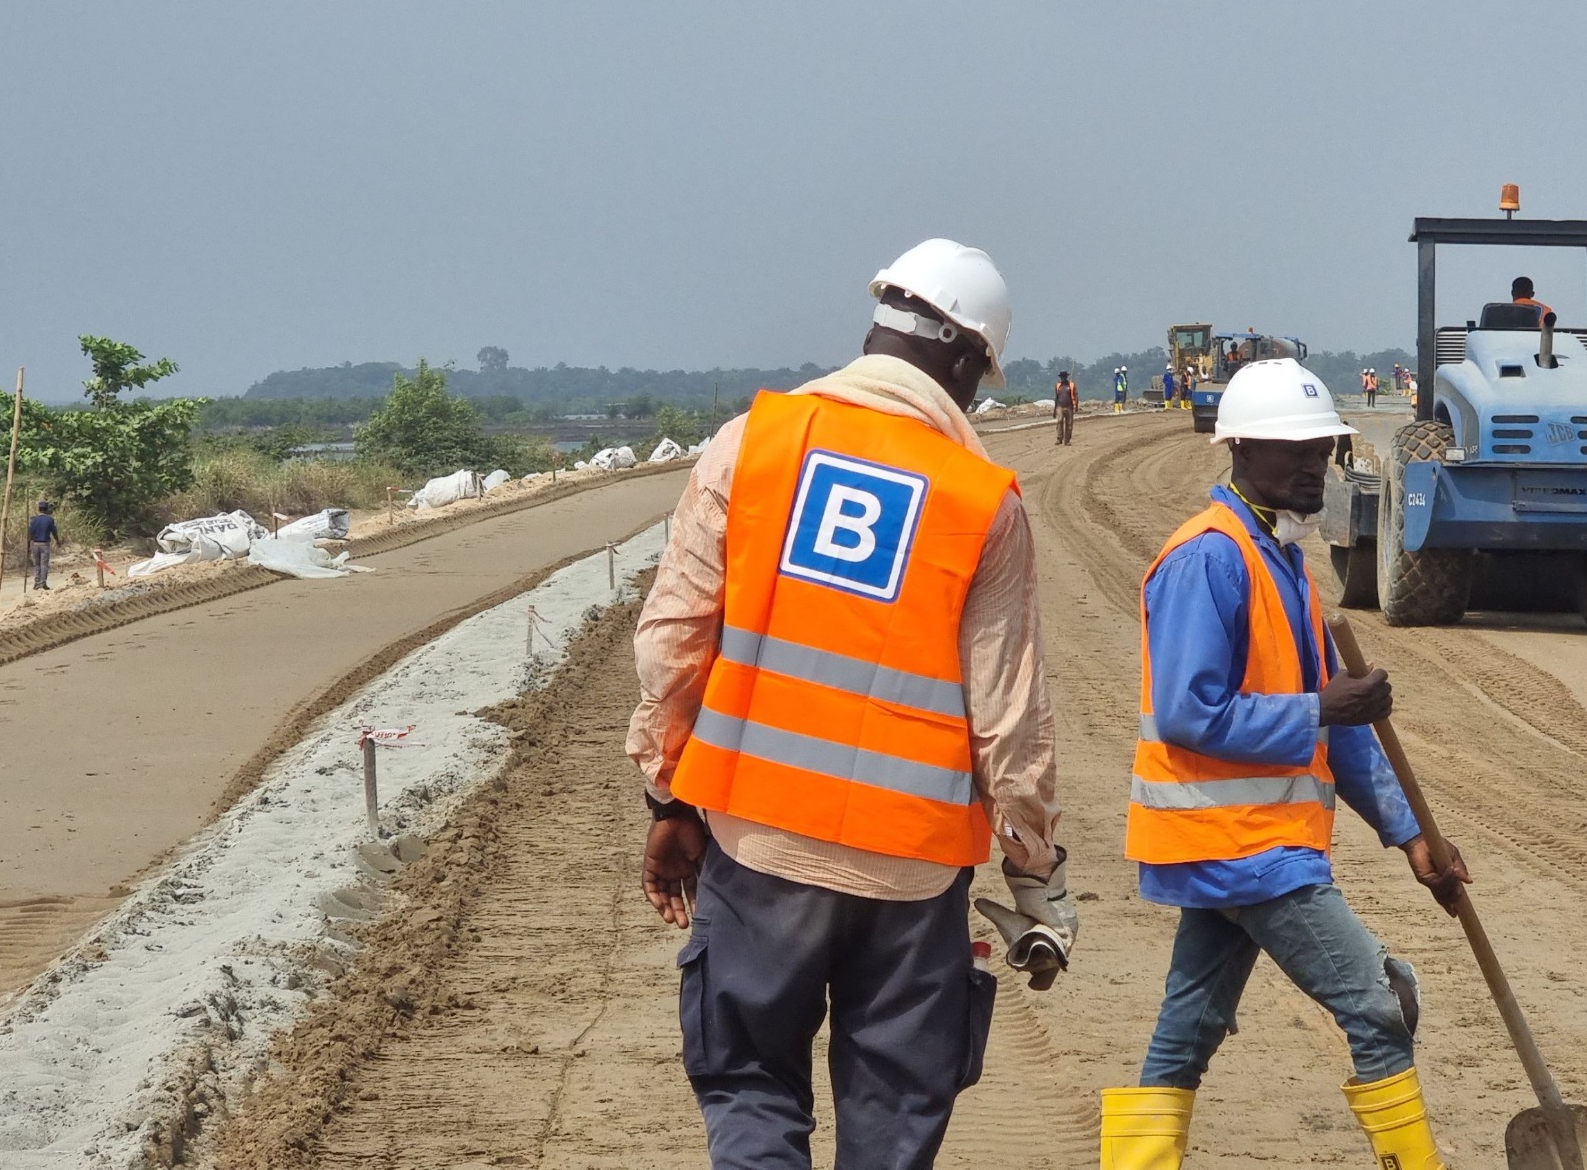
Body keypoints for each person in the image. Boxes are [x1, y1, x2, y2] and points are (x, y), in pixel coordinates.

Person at [630, 236, 1076, 1170]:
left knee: (752, 1089)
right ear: (964, 360)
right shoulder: (982, 500)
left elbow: (674, 641)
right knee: (892, 1120)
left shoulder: (751, 445)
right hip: (911, 879)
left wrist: (669, 797)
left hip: (759, 847)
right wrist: (1032, 861)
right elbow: (1009, 719)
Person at [1101, 359, 1470, 1170]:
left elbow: (1338, 738)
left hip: (1240, 845)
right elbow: (1189, 713)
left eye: (1324, 450)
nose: (1314, 464)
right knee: (1380, 1004)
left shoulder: (1283, 561)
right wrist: (1320, 707)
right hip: (1245, 845)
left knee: (1186, 1028)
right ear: (1238, 450)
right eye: (1293, 449)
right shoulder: (1210, 558)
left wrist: (1412, 838)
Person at [28, 500, 60, 591]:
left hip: (35, 544)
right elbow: (54, 532)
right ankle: (43, 583)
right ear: (46, 509)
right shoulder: (50, 520)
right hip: (45, 544)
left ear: (39, 509)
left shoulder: (33, 520)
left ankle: (37, 582)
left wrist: (28, 546)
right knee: (44, 564)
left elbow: (30, 533)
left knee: (37, 564)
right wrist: (57, 541)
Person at [1054, 370, 1079, 445]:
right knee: (1059, 421)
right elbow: (1056, 397)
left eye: (1064, 377)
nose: (1063, 378)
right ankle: (1059, 438)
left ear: (1066, 377)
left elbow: (1076, 395)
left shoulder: (1071, 385)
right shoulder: (1058, 386)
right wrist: (1054, 409)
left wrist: (1076, 406)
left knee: (1069, 424)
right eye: (1062, 377)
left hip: (1069, 407)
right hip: (1060, 406)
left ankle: (1067, 440)